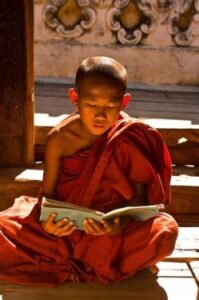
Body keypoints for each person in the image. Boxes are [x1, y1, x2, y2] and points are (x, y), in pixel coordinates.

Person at [0, 56, 178, 286]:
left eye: (110, 106)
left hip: (107, 234)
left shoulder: (130, 136)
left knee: (166, 231)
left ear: (124, 103)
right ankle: (108, 265)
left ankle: (80, 263)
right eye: (91, 104)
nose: (100, 115)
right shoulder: (60, 138)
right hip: (64, 230)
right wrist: (49, 225)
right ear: (75, 98)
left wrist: (119, 224)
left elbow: (140, 200)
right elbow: (48, 195)